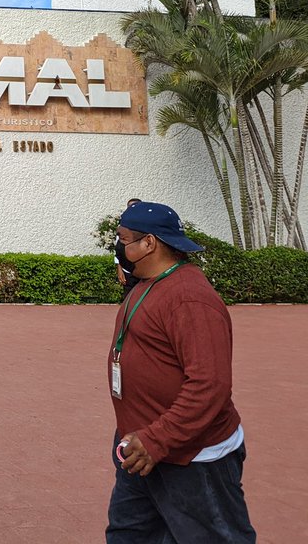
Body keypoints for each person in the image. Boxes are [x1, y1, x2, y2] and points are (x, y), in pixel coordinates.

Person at [106, 201, 256, 543]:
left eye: (123, 239)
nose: (119, 247)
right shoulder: (148, 283)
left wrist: (156, 439)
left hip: (192, 459)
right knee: (129, 535)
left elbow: (209, 386)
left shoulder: (189, 298)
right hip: (140, 451)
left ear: (149, 243)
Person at [114, 198, 143, 293]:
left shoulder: (148, 225)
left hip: (145, 270)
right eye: (130, 207)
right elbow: (118, 249)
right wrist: (119, 269)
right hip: (128, 271)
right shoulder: (123, 226)